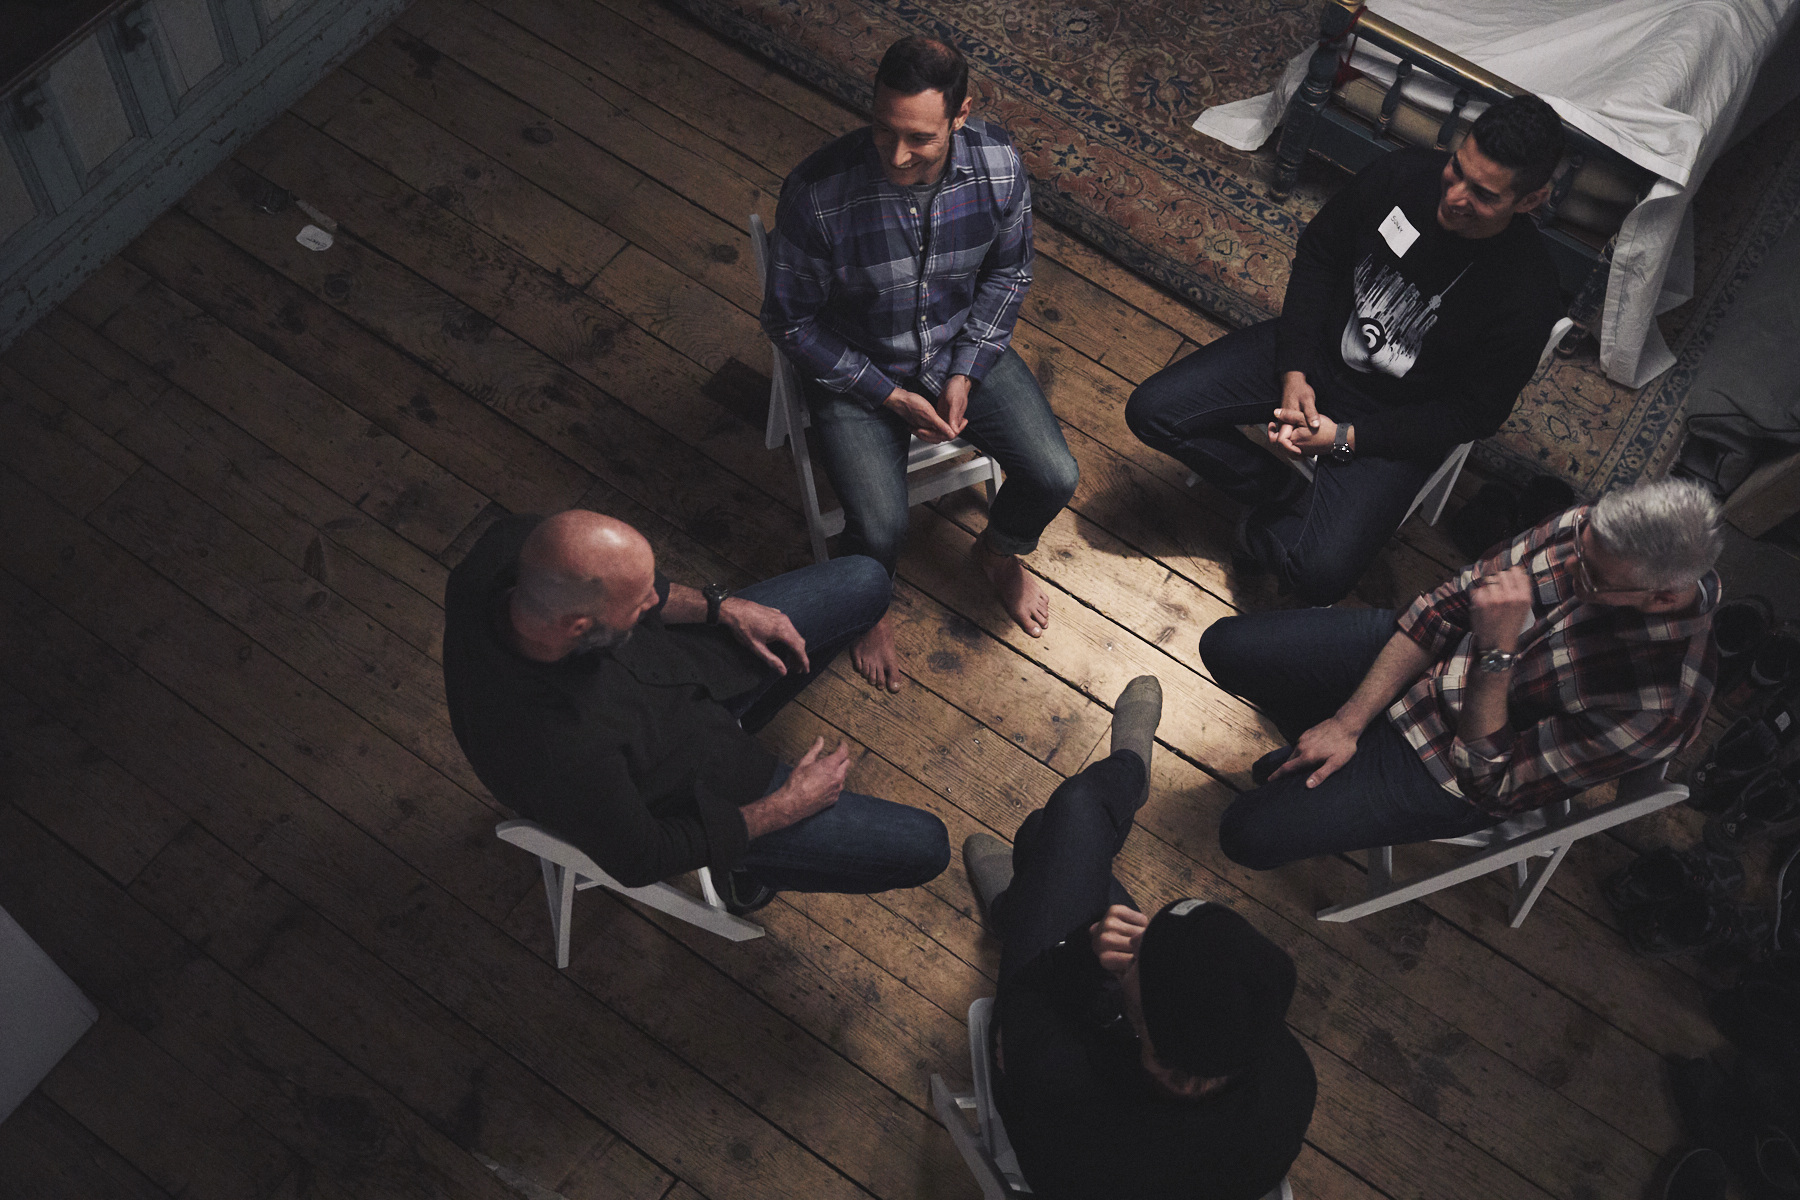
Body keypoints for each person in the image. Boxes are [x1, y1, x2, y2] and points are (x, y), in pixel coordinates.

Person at [1127, 95, 1566, 605]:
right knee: (1152, 411)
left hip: (1393, 418)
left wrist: (1344, 440)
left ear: (1530, 201)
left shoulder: (1527, 293)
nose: (1455, 196)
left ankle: (1263, 531)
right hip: (1315, 354)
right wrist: (1294, 370)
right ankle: (1283, 493)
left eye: (1484, 194)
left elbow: (1473, 414)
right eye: (1456, 169)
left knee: (1319, 575)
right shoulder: (1401, 176)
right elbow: (1320, 253)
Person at [762, 35, 1079, 691]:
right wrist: (886, 396)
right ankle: (868, 602)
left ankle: (999, 551)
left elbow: (1010, 271)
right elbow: (789, 321)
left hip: (959, 350)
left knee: (1054, 475)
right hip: (859, 373)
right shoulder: (818, 194)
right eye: (883, 130)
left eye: (919, 139)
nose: (897, 156)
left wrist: (966, 370)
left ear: (960, 115)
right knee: (880, 526)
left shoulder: (998, 167)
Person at [441, 510, 950, 912]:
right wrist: (785, 807)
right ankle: (752, 869)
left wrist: (722, 607)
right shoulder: (556, 750)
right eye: (639, 604)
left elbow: (655, 591)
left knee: (866, 580)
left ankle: (747, 722)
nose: (655, 599)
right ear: (578, 626)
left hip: (688, 666)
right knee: (926, 846)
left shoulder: (521, 547)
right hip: (690, 784)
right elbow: (643, 858)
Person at [1201, 478, 1722, 869]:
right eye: (1579, 548)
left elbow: (1492, 784)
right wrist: (1349, 721)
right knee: (1225, 646)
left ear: (1664, 597)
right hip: (1433, 662)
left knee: (1244, 835)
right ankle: (1316, 747)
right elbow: (1440, 611)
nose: (1572, 569)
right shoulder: (1588, 534)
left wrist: (1497, 653)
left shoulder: (1662, 706)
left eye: (1592, 579)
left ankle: (1305, 764)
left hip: (1450, 765)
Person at [961, 677, 1317, 1199]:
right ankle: (1026, 890)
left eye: (1137, 959)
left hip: (1044, 1111)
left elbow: (1020, 1008)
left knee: (1068, 817)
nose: (1135, 931)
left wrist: (1083, 954)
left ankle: (1123, 778)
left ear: (1146, 1036)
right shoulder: (1289, 1081)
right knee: (1054, 840)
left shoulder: (1063, 1083)